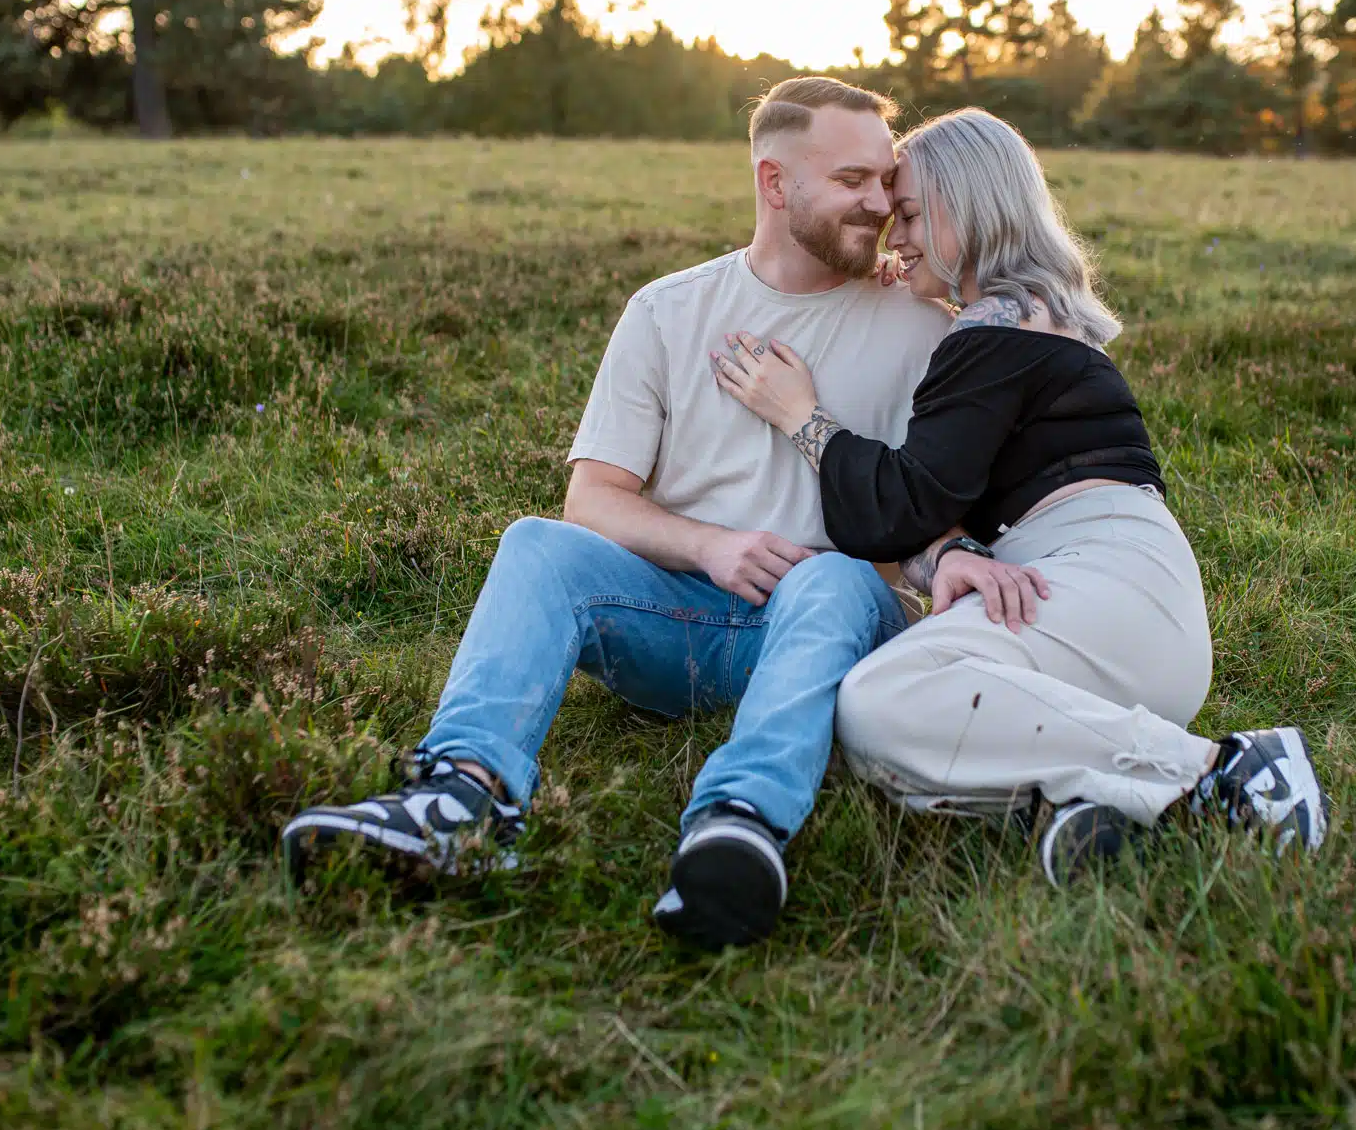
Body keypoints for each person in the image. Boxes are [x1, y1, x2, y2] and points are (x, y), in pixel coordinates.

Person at [281, 77, 1037, 949]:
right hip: (674, 620)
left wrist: (955, 555)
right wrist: (709, 546)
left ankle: (740, 823)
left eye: (884, 180)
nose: (880, 202)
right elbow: (592, 496)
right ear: (775, 182)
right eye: (853, 181)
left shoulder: (921, 329)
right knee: (537, 543)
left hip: (823, 623)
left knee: (827, 575)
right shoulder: (668, 311)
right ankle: (461, 797)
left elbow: (928, 497)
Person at [710, 107, 1328, 886]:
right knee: (919, 721)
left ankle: (1228, 768)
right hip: (1117, 609)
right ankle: (1094, 800)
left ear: (966, 207)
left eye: (907, 213)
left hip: (1102, 583)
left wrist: (802, 418)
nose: (895, 237)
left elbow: (904, 504)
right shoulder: (1034, 315)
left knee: (878, 701)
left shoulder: (995, 324)